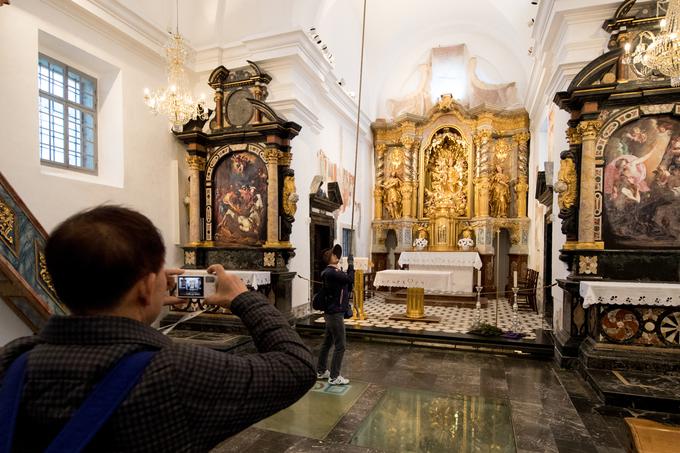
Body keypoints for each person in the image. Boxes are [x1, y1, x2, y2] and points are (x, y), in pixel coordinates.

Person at [0, 205, 316, 452]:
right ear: (146, 285)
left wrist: (141, 302)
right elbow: (296, 366)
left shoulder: (12, 361)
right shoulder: (175, 371)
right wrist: (243, 298)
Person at [316, 244, 353, 385]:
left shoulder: (334, 272)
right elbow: (350, 279)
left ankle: (321, 371)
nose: (337, 256)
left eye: (337, 254)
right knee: (341, 345)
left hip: (332, 312)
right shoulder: (331, 272)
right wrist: (351, 265)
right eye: (334, 255)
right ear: (328, 259)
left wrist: (345, 270)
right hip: (335, 313)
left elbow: (347, 285)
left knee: (327, 343)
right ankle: (334, 376)